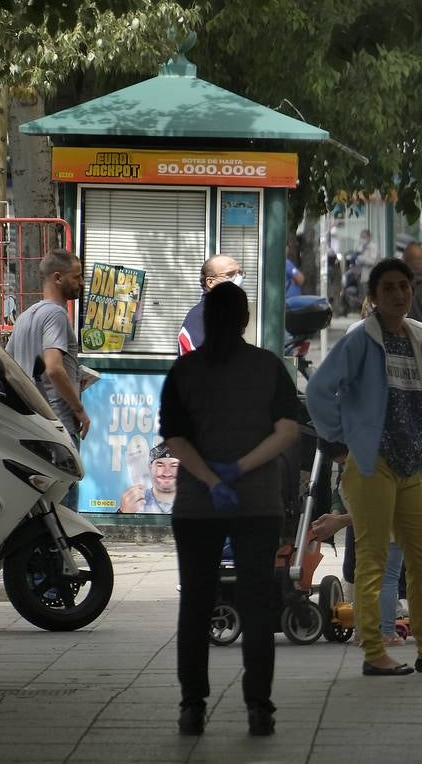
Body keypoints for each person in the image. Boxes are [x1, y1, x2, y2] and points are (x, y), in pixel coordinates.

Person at [307, 258, 422, 676]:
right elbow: (319, 392)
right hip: (370, 465)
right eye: (389, 289)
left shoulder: (418, 336)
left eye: (404, 287)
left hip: (408, 464)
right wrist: (343, 447)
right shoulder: (360, 339)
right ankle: (374, 653)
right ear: (373, 298)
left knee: (421, 558)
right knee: (375, 560)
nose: (399, 294)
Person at [159, 281, 300, 736]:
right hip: (257, 503)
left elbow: (175, 440)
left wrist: (212, 479)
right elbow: (287, 432)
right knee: (257, 604)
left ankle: (191, 706)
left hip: (197, 507)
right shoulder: (268, 367)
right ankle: (260, 706)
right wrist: (238, 470)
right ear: (244, 320)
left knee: (196, 604)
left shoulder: (184, 371)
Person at [7, 251, 90, 488]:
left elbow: (9, 368)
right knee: (62, 509)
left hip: (31, 428)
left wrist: (74, 380)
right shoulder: (56, 315)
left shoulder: (25, 317)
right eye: (77, 277)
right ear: (57, 278)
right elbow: (54, 368)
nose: (81, 283)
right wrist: (79, 410)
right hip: (57, 429)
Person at [178, 255, 243, 355]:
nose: (238, 278)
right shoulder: (199, 317)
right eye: (230, 274)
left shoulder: (229, 313)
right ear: (210, 282)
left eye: (241, 273)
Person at [117, 443, 179, 514]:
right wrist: (122, 513)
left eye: (174, 466)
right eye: (160, 465)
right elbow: (115, 523)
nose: (167, 472)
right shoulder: (135, 500)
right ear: (150, 467)